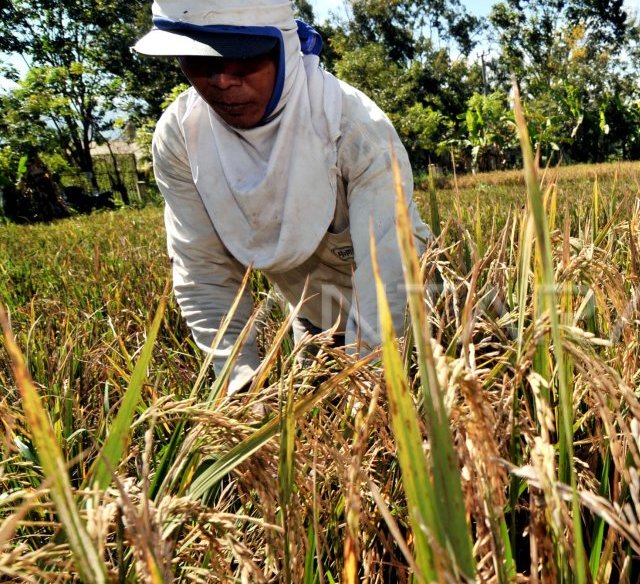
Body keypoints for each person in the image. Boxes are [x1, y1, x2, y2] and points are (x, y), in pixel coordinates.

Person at [133, 0, 431, 393]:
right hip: (313, 321)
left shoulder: (354, 130)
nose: (220, 79)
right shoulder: (181, 140)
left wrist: (368, 387)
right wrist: (240, 385)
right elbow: (203, 271)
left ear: (283, 47)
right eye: (196, 58)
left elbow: (388, 274)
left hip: (414, 314)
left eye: (240, 55)